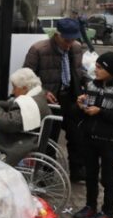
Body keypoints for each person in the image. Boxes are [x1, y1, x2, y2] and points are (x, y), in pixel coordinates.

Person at [72, 52, 113, 218]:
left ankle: (108, 213)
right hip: (89, 138)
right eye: (96, 66)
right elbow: (79, 112)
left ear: (111, 70)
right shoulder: (91, 86)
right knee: (90, 175)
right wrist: (79, 105)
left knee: (107, 178)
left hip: (109, 141)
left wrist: (100, 111)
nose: (96, 70)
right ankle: (90, 206)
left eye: (100, 67)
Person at [23, 17, 86, 182]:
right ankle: (45, 175)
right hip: (50, 100)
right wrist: (42, 92)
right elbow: (26, 77)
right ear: (57, 35)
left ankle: (78, 171)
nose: (69, 43)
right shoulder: (39, 49)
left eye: (73, 39)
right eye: (66, 39)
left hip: (72, 97)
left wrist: (89, 84)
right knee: (49, 138)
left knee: (77, 136)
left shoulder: (77, 48)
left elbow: (79, 71)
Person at [0, 68, 51, 166]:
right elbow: (15, 105)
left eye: (14, 87)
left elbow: (7, 122)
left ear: (25, 88)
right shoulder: (37, 95)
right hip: (29, 138)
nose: (13, 91)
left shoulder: (29, 103)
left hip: (19, 143)